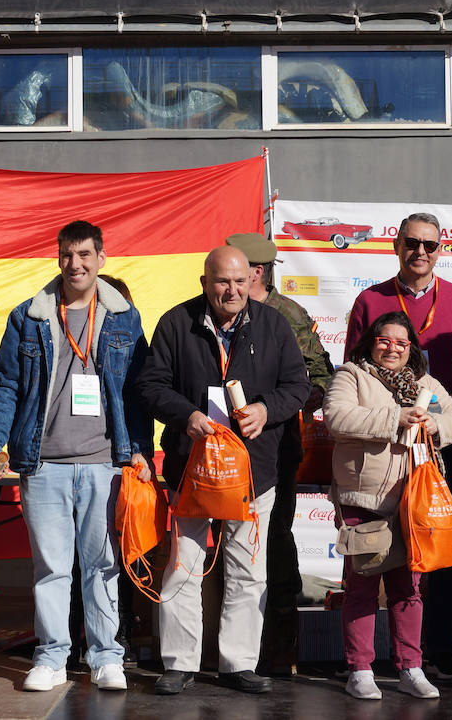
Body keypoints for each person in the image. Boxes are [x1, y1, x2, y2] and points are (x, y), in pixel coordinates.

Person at [0, 221, 152, 693]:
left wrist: (138, 450)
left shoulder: (123, 318)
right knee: (51, 569)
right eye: (66, 255)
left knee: (102, 565)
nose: (75, 264)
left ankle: (106, 656)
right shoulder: (29, 316)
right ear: (57, 258)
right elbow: (8, 386)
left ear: (100, 258)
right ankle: (52, 656)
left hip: (104, 462)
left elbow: (136, 393)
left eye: (84, 255)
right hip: (44, 462)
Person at [137, 245, 309, 696]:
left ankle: (238, 663)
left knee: (248, 572)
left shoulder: (274, 326)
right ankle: (178, 663)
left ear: (252, 279)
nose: (231, 290)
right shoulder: (176, 323)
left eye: (239, 280)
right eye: (221, 281)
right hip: (190, 468)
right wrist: (184, 415)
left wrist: (266, 410)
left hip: (254, 473)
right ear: (205, 283)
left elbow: (298, 385)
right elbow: (150, 385)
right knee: (182, 566)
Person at [344, 212, 452, 683]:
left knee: (437, 549)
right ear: (397, 246)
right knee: (375, 557)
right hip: (382, 454)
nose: (420, 252)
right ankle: (373, 662)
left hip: (437, 446)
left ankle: (437, 653)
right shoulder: (371, 299)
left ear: (440, 249)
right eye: (411, 243)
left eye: (429, 244)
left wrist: (442, 421)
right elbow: (352, 365)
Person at [324, 310, 452, 700]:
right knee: (362, 585)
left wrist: (437, 425)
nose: (393, 349)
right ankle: (360, 669)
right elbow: (337, 416)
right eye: (385, 340)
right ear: (371, 341)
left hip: (413, 502)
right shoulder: (351, 375)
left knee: (409, 589)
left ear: (411, 349)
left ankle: (410, 668)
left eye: (402, 343)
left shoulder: (425, 382)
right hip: (364, 499)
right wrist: (396, 418)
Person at [224, 231, 333, 675]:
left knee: (273, 544)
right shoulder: (214, 311)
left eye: (239, 269)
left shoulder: (288, 314)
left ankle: (278, 645)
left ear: (256, 270)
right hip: (220, 448)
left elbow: (320, 376)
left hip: (276, 449)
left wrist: (282, 407)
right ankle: (226, 646)